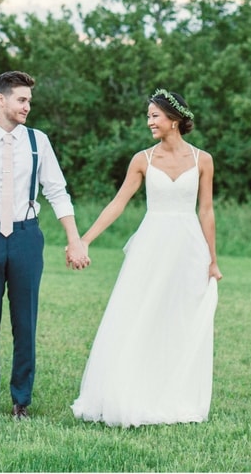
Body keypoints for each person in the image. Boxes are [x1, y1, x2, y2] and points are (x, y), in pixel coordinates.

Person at [71, 88, 222, 427]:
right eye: (149, 115)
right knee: (139, 313)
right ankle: (130, 390)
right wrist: (85, 239)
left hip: (188, 247)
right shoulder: (143, 159)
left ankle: (173, 393)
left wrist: (212, 260)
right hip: (151, 245)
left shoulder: (203, 160)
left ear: (175, 120)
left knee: (178, 317)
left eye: (155, 115)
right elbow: (118, 203)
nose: (149, 121)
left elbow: (207, 211)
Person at [0, 70, 90, 421]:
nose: (28, 106)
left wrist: (74, 238)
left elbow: (57, 190)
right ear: (1, 99)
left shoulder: (38, 142)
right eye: (22, 99)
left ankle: (21, 402)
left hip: (27, 237)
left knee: (25, 322)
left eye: (29, 100)